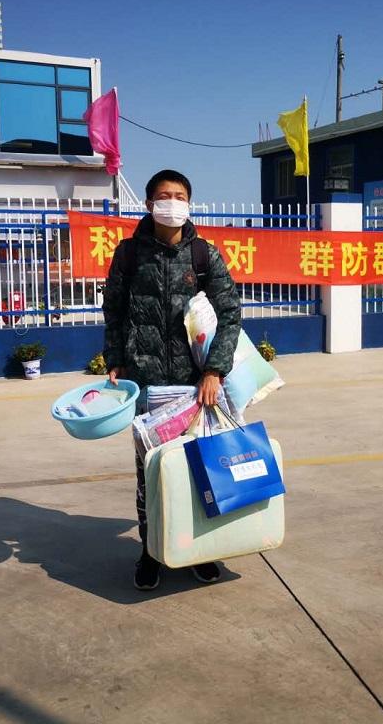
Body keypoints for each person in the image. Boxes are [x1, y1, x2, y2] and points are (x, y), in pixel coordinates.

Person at [102, 169, 241, 590]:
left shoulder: (203, 255)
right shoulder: (129, 255)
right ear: (149, 204)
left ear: (189, 203)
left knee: (201, 469)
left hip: (195, 387)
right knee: (151, 474)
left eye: (180, 196)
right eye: (165, 196)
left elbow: (230, 313)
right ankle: (150, 551)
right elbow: (114, 312)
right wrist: (116, 359)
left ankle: (201, 550)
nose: (173, 203)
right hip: (146, 386)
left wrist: (214, 370)